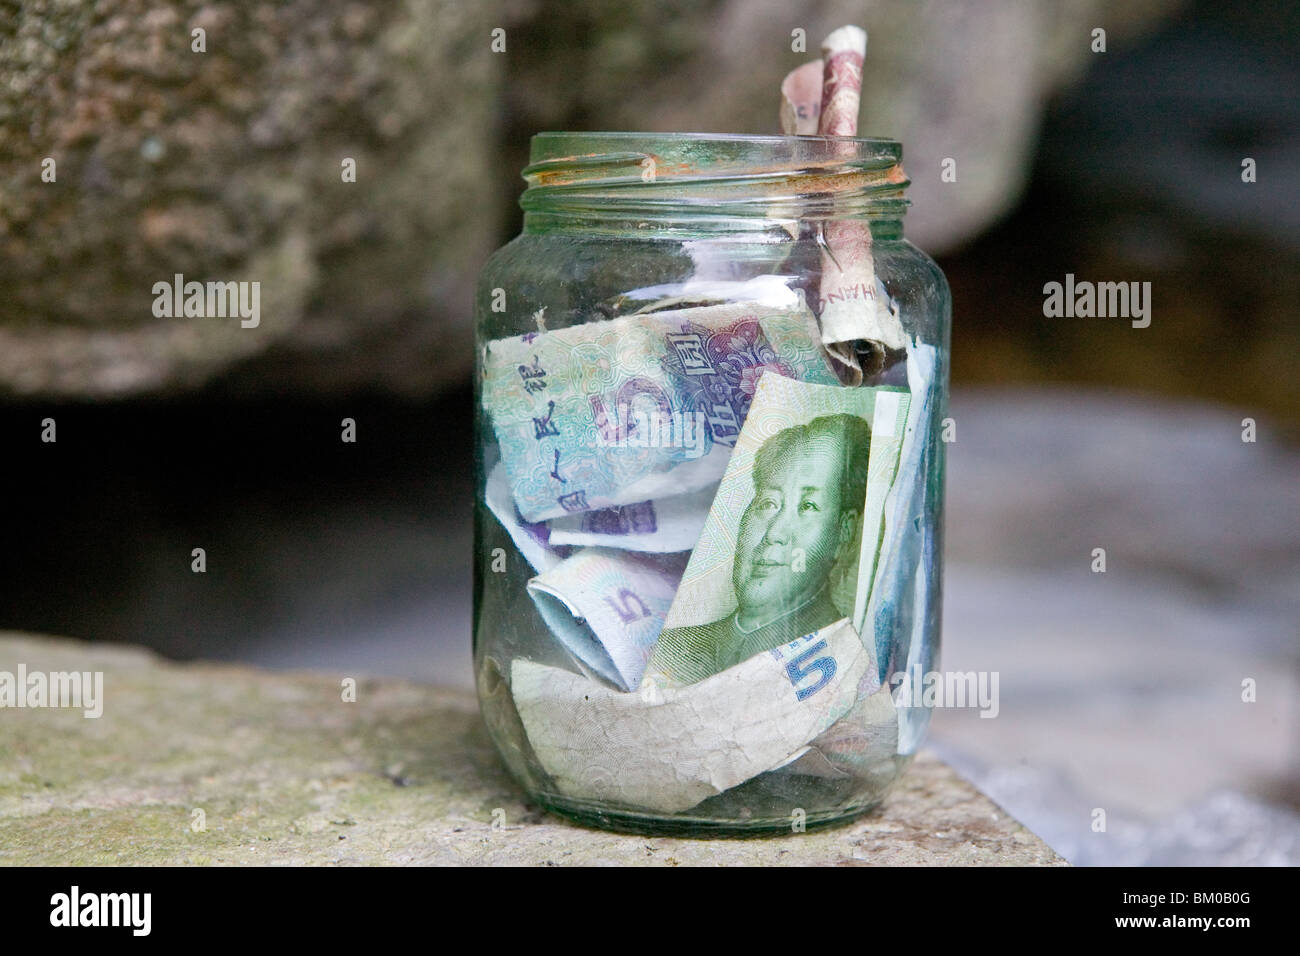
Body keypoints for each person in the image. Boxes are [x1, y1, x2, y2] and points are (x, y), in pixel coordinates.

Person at [652, 413, 870, 683]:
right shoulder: (672, 649)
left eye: (808, 506)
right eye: (768, 503)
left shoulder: (850, 666)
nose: (774, 533)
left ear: (844, 533)